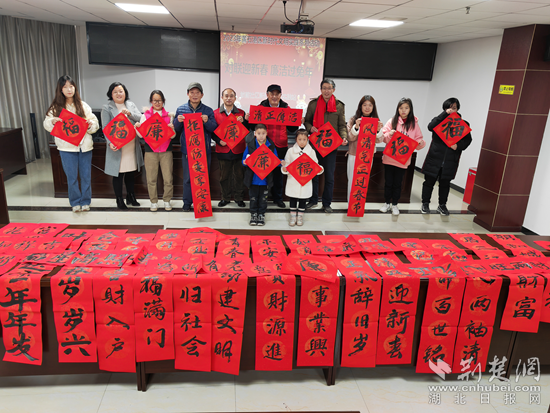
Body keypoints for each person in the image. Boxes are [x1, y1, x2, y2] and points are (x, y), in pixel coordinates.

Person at [44, 75, 99, 212]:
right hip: (66, 148)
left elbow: (95, 123)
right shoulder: (56, 107)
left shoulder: (83, 105)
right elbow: (46, 123)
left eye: (71, 86)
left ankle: (85, 201)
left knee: (86, 176)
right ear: (60, 90)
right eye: (65, 87)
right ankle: (75, 202)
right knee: (72, 177)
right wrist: (52, 121)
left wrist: (91, 124)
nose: (69, 89)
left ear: (75, 88)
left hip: (84, 147)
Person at [422, 97, 472, 216]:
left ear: (458, 109)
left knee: (445, 184)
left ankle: (442, 205)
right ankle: (425, 203)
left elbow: (468, 140)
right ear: (445, 108)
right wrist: (444, 114)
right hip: (435, 158)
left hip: (450, 160)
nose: (451, 110)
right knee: (429, 182)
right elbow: (430, 127)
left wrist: (458, 146)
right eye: (449, 108)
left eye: (454, 108)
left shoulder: (463, 124)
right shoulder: (438, 120)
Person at [304, 78, 348, 213]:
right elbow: (307, 121)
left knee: (329, 176)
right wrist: (310, 128)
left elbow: (342, 125)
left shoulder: (339, 106)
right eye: (324, 88)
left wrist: (344, 137)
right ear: (321, 89)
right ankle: (313, 200)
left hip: (331, 146)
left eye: (329, 88)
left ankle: (327, 203)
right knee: (314, 174)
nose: (326, 91)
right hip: (315, 145)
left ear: (333, 90)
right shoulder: (313, 104)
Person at [251, 84, 298, 208]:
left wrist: (298, 121)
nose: (274, 96)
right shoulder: (260, 108)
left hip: (280, 145)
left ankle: (278, 198)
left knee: (278, 174)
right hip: (264, 145)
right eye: (272, 94)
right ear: (267, 95)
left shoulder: (286, 108)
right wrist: (247, 118)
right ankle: (263, 198)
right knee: (263, 171)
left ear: (280, 95)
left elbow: (292, 129)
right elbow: (252, 127)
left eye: (277, 94)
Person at [173, 82, 217, 212]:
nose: (195, 95)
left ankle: (202, 205)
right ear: (188, 94)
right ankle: (187, 203)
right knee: (187, 178)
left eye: (197, 92)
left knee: (203, 178)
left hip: (204, 151)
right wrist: (177, 121)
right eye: (192, 92)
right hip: (188, 151)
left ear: (202, 95)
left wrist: (207, 121)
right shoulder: (181, 109)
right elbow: (176, 129)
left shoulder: (208, 110)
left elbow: (213, 128)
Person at [102, 82, 144, 210]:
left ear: (125, 92)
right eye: (115, 92)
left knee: (131, 172)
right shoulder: (107, 108)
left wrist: (130, 114)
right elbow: (105, 128)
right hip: (118, 146)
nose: (118, 94)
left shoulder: (130, 104)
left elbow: (141, 118)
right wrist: (110, 143)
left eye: (121, 91)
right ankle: (119, 199)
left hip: (131, 146)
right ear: (111, 94)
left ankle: (131, 197)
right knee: (118, 174)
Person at [380, 97, 426, 216]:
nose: (403, 110)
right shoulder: (392, 121)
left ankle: (395, 204)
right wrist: (389, 134)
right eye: (401, 108)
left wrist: (421, 143)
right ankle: (386, 203)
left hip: (402, 160)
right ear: (398, 109)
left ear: (410, 109)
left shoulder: (414, 124)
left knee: (398, 184)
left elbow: (418, 140)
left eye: (406, 108)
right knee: (388, 182)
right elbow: (383, 137)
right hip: (389, 158)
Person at [134, 90, 175, 212]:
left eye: (159, 100)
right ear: (151, 101)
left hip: (166, 150)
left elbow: (173, 136)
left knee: (168, 178)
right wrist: (137, 128)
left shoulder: (169, 116)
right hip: (150, 151)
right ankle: (153, 202)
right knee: (151, 178)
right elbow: (141, 135)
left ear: (163, 101)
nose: (157, 103)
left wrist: (172, 130)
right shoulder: (145, 116)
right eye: (154, 100)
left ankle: (167, 200)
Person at [212, 88, 248, 208]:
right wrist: (218, 141)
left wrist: (244, 122)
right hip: (223, 149)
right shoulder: (215, 113)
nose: (229, 98)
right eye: (226, 96)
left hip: (238, 149)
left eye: (231, 96)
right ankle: (225, 198)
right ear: (222, 98)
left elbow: (247, 130)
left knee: (239, 176)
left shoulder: (241, 113)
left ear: (235, 98)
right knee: (224, 177)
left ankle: (239, 198)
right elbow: (212, 131)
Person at [281, 129, 323, 226]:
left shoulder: (311, 152)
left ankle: (300, 216)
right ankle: (292, 216)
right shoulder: (290, 151)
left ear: (307, 139)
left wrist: (319, 169)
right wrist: (285, 168)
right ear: (296, 139)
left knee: (303, 198)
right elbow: (287, 164)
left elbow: (315, 165)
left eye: (304, 139)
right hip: (293, 180)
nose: (302, 142)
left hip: (305, 180)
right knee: (293, 198)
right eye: (300, 139)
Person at [346, 95, 383, 200]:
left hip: (367, 156)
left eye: (370, 105)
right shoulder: (353, 119)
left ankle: (359, 205)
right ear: (360, 106)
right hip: (354, 154)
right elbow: (350, 137)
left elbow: (379, 140)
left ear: (373, 107)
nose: (367, 107)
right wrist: (356, 127)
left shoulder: (376, 121)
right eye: (364, 105)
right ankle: (351, 205)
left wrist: (378, 130)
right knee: (352, 181)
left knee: (363, 182)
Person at [243, 124, 281, 226]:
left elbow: (275, 160)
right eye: (259, 133)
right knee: (253, 198)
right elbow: (243, 160)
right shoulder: (250, 145)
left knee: (263, 199)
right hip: (253, 179)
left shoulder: (271, 145)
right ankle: (253, 215)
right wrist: (244, 162)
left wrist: (281, 162)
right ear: (255, 134)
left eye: (263, 133)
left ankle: (261, 215)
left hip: (265, 179)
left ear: (266, 133)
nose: (261, 136)